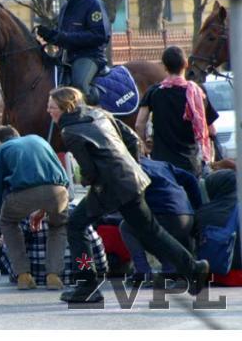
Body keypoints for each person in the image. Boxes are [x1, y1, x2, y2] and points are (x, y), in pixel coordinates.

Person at [48, 86, 210, 303]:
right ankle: (193, 269)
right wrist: (131, 167)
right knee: (152, 231)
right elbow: (133, 139)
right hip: (131, 181)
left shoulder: (70, 132)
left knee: (76, 225)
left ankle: (87, 284)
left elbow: (90, 171)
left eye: (52, 107)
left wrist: (85, 181)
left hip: (111, 187)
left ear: (65, 107)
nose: (48, 111)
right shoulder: (99, 113)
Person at [0, 125, 70, 290]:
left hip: (24, 194)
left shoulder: (2, 150)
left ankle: (23, 275)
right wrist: (43, 210)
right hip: (58, 192)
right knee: (58, 226)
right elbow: (63, 178)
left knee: (8, 222)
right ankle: (53, 276)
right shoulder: (39, 140)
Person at [135, 46, 218, 177]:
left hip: (162, 166)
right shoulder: (197, 93)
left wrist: (145, 146)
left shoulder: (153, 92)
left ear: (164, 66)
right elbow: (212, 130)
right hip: (191, 165)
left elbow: (139, 124)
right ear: (186, 63)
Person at [35, 0, 111, 105]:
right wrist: (51, 35)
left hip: (89, 56)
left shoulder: (94, 4)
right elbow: (63, 35)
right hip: (67, 57)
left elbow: (100, 36)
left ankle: (93, 118)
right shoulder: (66, 6)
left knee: (80, 85)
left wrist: (63, 38)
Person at [120, 157, 203, 285]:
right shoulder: (161, 164)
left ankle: (143, 273)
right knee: (152, 229)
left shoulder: (126, 167)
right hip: (187, 217)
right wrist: (197, 208)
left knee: (126, 226)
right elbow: (191, 179)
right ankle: (170, 269)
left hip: (165, 217)